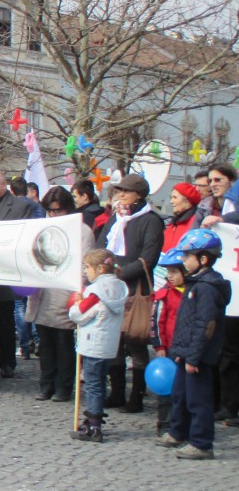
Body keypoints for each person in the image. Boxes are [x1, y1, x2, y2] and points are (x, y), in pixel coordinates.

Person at [158, 228, 231, 459]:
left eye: (187, 256)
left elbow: (204, 325)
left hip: (198, 356)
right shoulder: (195, 283)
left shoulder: (207, 288)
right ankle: (178, 432)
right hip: (186, 352)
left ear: (203, 259)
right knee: (180, 395)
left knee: (199, 401)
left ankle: (201, 443)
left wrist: (194, 356)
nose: (183, 260)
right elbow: (187, 323)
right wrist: (181, 350)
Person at [97, 172, 163, 412]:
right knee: (113, 339)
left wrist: (119, 272)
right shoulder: (116, 217)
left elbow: (149, 258)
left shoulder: (151, 220)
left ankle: (136, 396)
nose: (120, 195)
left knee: (135, 341)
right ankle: (116, 393)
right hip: (112, 284)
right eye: (119, 191)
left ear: (138, 195)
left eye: (125, 191)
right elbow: (101, 245)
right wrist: (101, 269)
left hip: (134, 287)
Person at [24, 186, 96, 401]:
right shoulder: (42, 227)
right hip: (43, 290)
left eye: (58, 211)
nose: (54, 215)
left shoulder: (82, 232)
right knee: (45, 341)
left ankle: (63, 386)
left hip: (65, 291)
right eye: (51, 211)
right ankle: (46, 384)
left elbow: (85, 264)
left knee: (63, 342)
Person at [0, 170, 35, 380]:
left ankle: (7, 362)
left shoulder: (21, 206)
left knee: (5, 319)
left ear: (4, 185)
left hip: (5, 270)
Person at [68, 249, 129, 442]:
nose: (85, 271)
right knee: (100, 382)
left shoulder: (96, 292)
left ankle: (93, 424)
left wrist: (76, 304)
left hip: (93, 342)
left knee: (93, 384)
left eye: (87, 267)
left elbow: (78, 315)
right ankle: (95, 418)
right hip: (109, 344)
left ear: (100, 268)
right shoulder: (120, 287)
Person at [151, 250, 186, 437]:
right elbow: (157, 322)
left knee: (184, 390)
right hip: (169, 347)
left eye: (174, 272)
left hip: (186, 348)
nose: (170, 277)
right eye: (168, 272)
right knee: (166, 389)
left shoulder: (192, 292)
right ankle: (164, 424)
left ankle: (181, 424)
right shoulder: (164, 294)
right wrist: (159, 346)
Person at [163, 181, 201, 251]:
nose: (171, 201)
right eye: (171, 197)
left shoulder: (195, 224)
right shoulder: (173, 224)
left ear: (188, 202)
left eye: (175, 197)